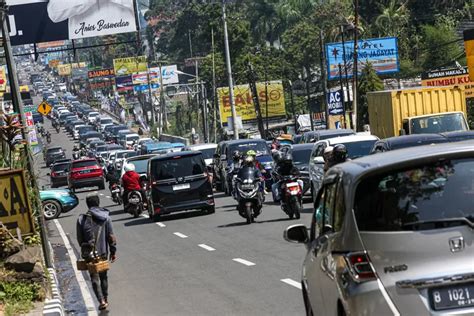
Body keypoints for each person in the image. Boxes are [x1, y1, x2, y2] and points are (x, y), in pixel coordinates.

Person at [76, 193, 117, 311]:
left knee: (94, 277)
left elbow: (80, 239)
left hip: (89, 254)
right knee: (104, 277)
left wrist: (87, 248)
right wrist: (113, 251)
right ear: (98, 203)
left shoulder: (81, 219)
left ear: (87, 204)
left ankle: (101, 301)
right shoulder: (106, 217)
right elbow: (111, 237)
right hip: (103, 252)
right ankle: (106, 298)